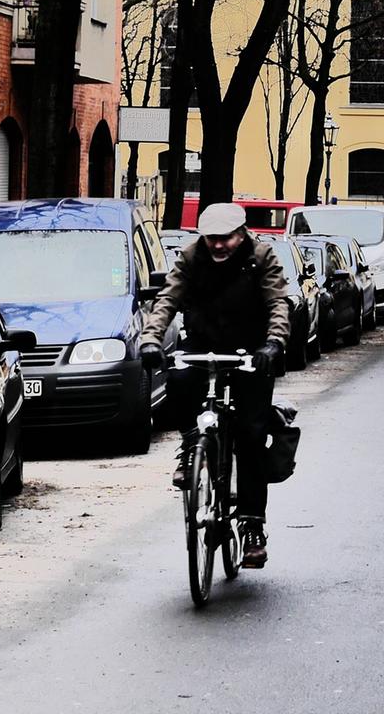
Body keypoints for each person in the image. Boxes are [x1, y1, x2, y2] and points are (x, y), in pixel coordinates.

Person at [139, 202, 291, 567]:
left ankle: (252, 526)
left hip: (252, 350)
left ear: (241, 234)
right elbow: (167, 299)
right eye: (211, 239)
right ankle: (192, 443)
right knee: (178, 378)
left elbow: (278, 302)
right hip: (203, 341)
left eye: (226, 238)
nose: (218, 245)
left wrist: (274, 343)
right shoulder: (191, 257)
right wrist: (150, 340)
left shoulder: (261, 257)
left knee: (251, 435)